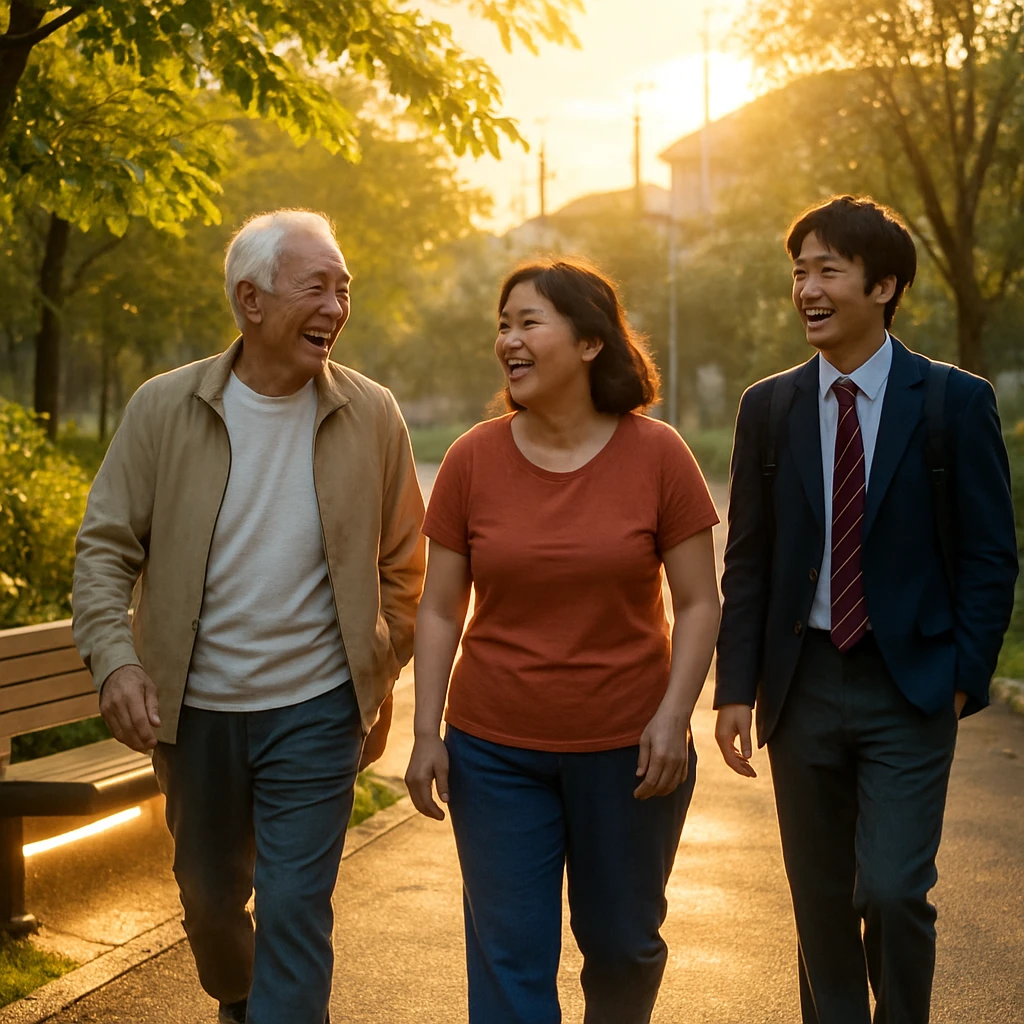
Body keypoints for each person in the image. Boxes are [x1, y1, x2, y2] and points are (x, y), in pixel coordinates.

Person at [72, 209, 425, 1024]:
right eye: (317, 287)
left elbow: (405, 565)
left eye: (344, 290)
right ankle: (240, 998)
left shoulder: (373, 414)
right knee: (209, 903)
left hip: (317, 709)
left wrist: (376, 663)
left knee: (297, 906)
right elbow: (104, 548)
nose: (336, 307)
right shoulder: (164, 408)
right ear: (251, 299)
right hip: (195, 714)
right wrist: (116, 660)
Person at [715, 195, 1018, 1024]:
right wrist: (735, 688)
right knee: (819, 905)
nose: (807, 290)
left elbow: (991, 554)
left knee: (890, 889)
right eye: (799, 272)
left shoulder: (954, 402)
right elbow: (749, 561)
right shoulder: (768, 407)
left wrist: (964, 677)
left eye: (828, 271)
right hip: (801, 683)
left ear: (883, 286)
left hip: (910, 684)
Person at [404, 257, 722, 1024]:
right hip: (493, 751)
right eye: (502, 325)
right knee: (509, 958)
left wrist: (674, 717)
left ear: (589, 342)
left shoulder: (659, 455)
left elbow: (698, 602)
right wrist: (425, 732)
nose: (508, 340)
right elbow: (440, 609)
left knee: (623, 948)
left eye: (529, 323)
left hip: (630, 752)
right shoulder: (472, 459)